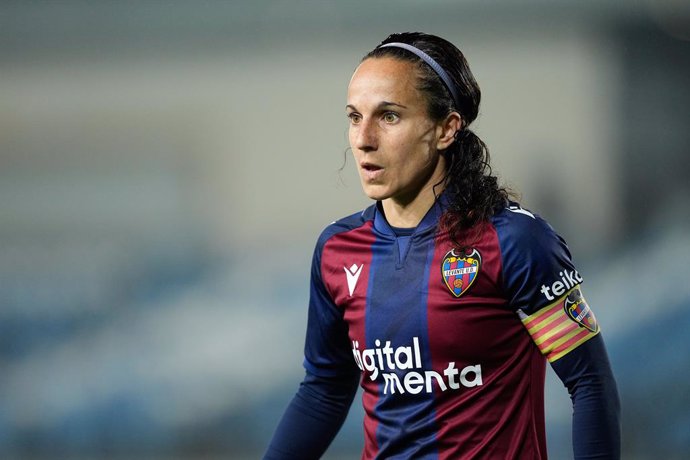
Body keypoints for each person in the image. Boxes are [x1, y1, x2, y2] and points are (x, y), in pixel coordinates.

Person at [264, 32, 620, 459]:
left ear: (446, 128)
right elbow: (323, 390)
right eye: (355, 117)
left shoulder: (515, 242)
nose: (363, 139)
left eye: (389, 116)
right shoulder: (338, 250)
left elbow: (590, 383)